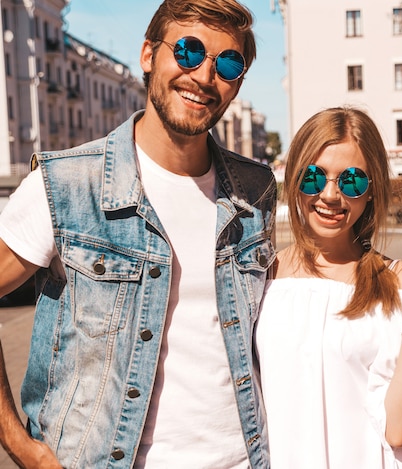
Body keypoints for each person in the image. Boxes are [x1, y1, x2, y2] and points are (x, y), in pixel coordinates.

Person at [0, 1, 275, 468]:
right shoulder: (66, 185)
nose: (205, 77)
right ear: (149, 54)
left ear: (238, 83)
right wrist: (20, 445)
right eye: (188, 52)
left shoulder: (256, 190)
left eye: (227, 64)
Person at [254, 107, 402, 469]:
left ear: (372, 191)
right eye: (313, 177)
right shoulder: (261, 274)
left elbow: (399, 432)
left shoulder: (396, 280)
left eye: (352, 181)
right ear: (293, 179)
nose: (330, 195)